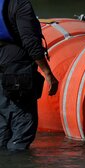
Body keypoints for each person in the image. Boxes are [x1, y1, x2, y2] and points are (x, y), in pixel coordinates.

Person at [0, 0, 58, 151]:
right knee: (23, 122)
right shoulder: (19, 4)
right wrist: (47, 72)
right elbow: (30, 41)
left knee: (2, 124)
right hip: (17, 67)